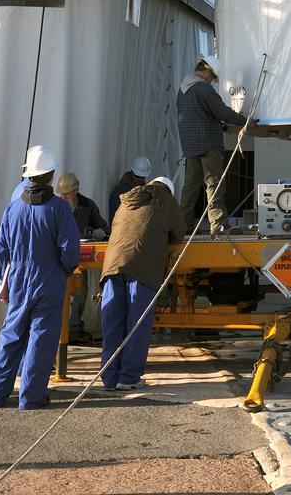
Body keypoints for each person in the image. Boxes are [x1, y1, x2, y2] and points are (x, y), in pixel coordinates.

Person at [0, 146, 79, 410]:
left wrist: (5, 279)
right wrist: (65, 270)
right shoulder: (60, 209)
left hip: (18, 281)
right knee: (41, 340)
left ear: (29, 175)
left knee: (10, 337)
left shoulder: (12, 209)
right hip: (48, 281)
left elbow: (2, 249)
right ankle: (31, 397)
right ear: (50, 176)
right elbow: (70, 250)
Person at [99, 176, 185, 391]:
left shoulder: (126, 200)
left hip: (112, 266)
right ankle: (128, 378)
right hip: (142, 269)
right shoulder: (166, 199)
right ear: (168, 190)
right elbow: (179, 233)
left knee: (113, 324)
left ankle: (109, 378)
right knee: (137, 324)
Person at [177, 54, 248, 233]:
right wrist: (244, 120)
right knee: (214, 184)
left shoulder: (183, 90)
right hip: (208, 144)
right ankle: (218, 224)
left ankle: (182, 226)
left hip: (190, 145)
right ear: (206, 71)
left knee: (190, 188)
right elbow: (222, 111)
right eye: (213, 77)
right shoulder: (203, 89)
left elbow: (200, 116)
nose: (213, 81)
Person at [57, 173, 108, 344]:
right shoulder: (56, 207)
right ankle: (64, 329)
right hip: (60, 256)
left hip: (80, 256)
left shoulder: (88, 206)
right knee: (61, 293)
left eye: (66, 194)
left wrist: (99, 232)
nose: (63, 197)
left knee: (80, 291)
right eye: (61, 194)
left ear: (76, 191)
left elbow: (102, 226)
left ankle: (75, 328)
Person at [108, 156, 151, 227]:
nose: (140, 180)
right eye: (137, 176)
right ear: (132, 172)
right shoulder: (120, 191)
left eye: (142, 177)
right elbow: (113, 216)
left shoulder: (146, 191)